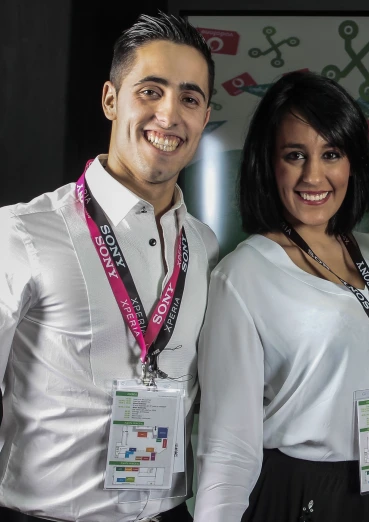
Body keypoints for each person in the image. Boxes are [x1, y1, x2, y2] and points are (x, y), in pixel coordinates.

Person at [0, 12, 218, 522]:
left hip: (168, 513)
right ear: (110, 99)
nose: (169, 115)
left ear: (205, 117)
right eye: (150, 91)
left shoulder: (203, 245)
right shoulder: (22, 232)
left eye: (189, 98)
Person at [193, 71, 369, 522]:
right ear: (268, 163)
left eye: (331, 154)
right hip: (302, 493)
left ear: (352, 162)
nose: (314, 175)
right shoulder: (242, 275)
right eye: (295, 155)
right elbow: (227, 445)